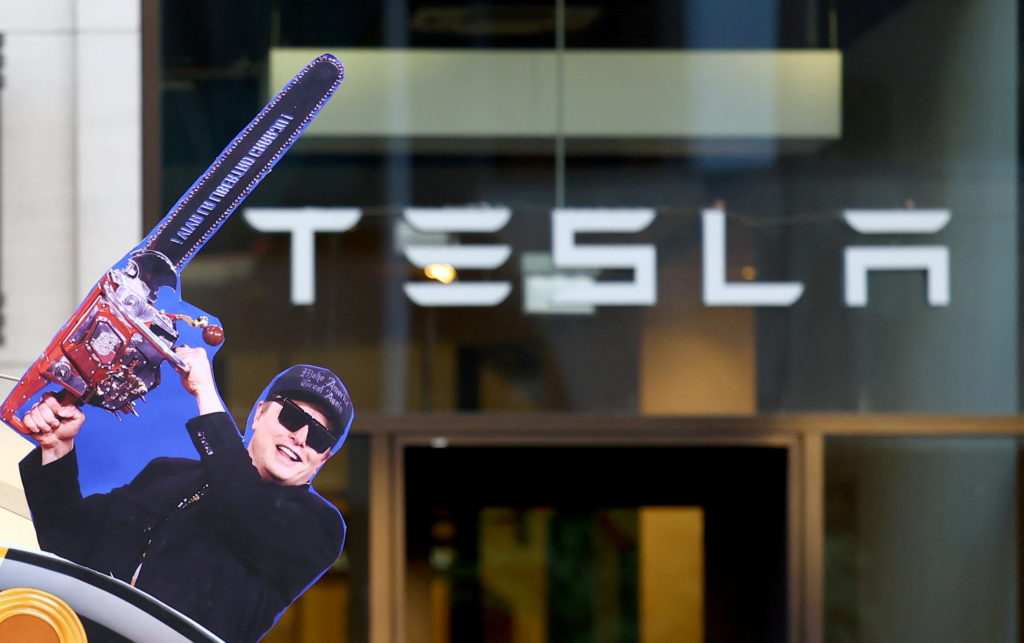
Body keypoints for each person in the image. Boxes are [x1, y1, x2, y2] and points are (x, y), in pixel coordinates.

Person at [17, 347, 353, 643]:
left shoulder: (320, 526)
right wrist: (57, 447)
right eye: (293, 417)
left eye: (321, 438)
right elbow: (68, 541)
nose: (302, 437)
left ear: (323, 458)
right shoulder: (168, 472)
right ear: (261, 412)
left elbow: (242, 503)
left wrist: (205, 391)